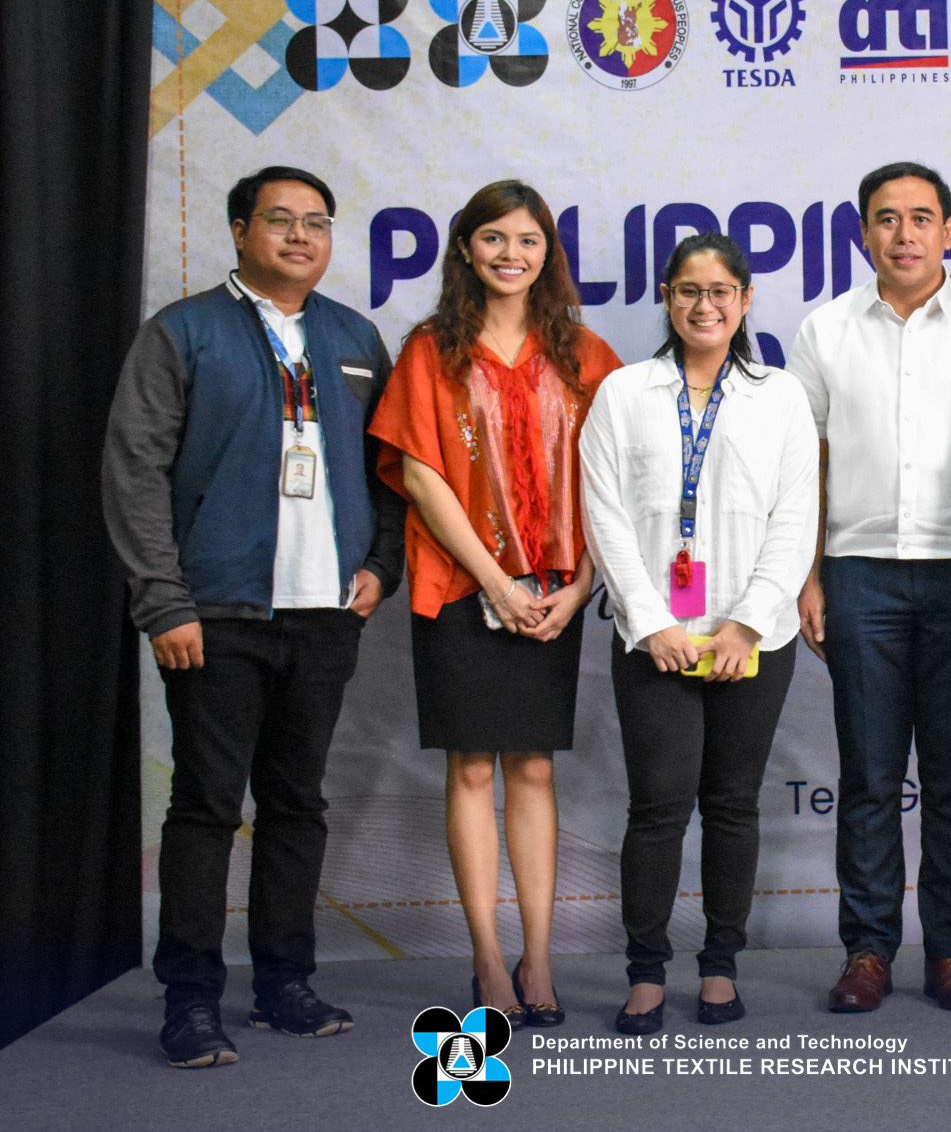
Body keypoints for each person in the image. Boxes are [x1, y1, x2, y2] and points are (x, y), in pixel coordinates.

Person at [104, 165, 404, 1067]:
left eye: (317, 222)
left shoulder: (353, 337)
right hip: (215, 613)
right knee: (203, 806)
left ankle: (284, 985)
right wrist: (164, 600)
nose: (301, 236)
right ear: (241, 231)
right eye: (281, 220)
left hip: (324, 614)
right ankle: (191, 1000)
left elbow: (392, 469)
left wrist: (380, 569)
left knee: (296, 805)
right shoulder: (183, 333)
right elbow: (133, 471)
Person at [368, 180, 622, 1028]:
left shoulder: (585, 355)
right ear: (466, 250)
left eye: (529, 241)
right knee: (472, 764)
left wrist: (581, 584)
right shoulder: (430, 350)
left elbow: (617, 487)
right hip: (461, 589)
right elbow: (419, 473)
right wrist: (497, 582)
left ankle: (539, 953)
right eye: (494, 239)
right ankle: (486, 958)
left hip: (556, 597)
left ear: (548, 253)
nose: (511, 255)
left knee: (536, 767)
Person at [789, 162, 951, 1013]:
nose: (905, 234)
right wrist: (809, 573)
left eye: (923, 217)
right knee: (871, 774)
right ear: (862, 233)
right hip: (860, 576)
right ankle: (868, 951)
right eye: (887, 219)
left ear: (950, 231)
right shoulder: (826, 329)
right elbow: (804, 459)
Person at [582, 233, 818, 1032]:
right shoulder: (623, 392)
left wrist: (745, 624)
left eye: (721, 290)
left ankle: (720, 964)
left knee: (731, 805)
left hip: (754, 638)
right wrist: (651, 623)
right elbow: (604, 516)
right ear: (667, 297)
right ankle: (645, 970)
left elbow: (796, 518)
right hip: (658, 641)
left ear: (746, 300)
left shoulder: (780, 395)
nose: (705, 305)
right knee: (657, 807)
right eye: (689, 290)